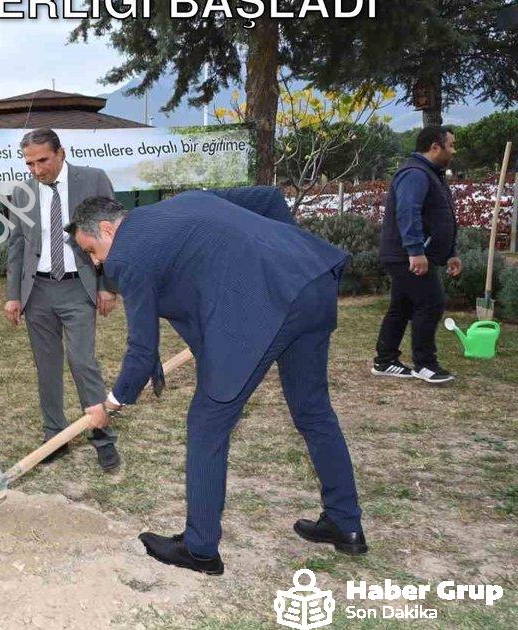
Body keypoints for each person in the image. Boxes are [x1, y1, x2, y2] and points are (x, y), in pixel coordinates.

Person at [67, 190, 367, 576]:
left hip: (264, 308)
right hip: (311, 280)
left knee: (207, 425)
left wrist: (110, 404)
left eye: (92, 251)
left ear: (109, 229)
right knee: (313, 410)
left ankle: (200, 548)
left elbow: (142, 349)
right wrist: (283, 261)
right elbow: (269, 199)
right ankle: (345, 523)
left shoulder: (127, 256)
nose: (96, 262)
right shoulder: (181, 204)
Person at [3, 128, 121, 473]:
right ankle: (54, 436)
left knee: (83, 361)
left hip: (78, 288)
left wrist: (107, 285)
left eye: (42, 161)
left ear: (61, 153)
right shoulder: (22, 191)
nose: (36, 170)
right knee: (47, 366)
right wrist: (13, 295)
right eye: (29, 164)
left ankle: (102, 436)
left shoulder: (93, 180)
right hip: (37, 291)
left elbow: (114, 234)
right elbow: (16, 245)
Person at [373, 126, 463, 384]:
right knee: (431, 302)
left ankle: (385, 360)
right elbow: (408, 212)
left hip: (413, 254)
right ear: (435, 147)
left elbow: (438, 218)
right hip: (406, 255)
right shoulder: (415, 173)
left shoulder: (431, 174)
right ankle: (425, 364)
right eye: (450, 145)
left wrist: (450, 253)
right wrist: (414, 250)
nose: (453, 151)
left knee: (402, 306)